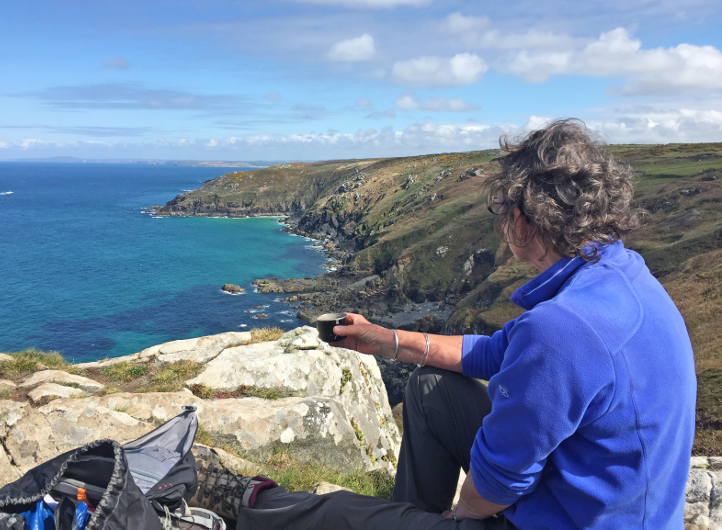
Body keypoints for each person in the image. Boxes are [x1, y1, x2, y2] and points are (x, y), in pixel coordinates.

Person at [191, 119, 696, 530]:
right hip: (618, 510)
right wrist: (384, 341)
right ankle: (413, 518)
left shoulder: (565, 330)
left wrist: (464, 513)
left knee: (341, 514)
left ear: (522, 219)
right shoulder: (623, 276)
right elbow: (496, 352)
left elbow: (497, 484)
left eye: (500, 209)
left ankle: (249, 503)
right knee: (431, 388)